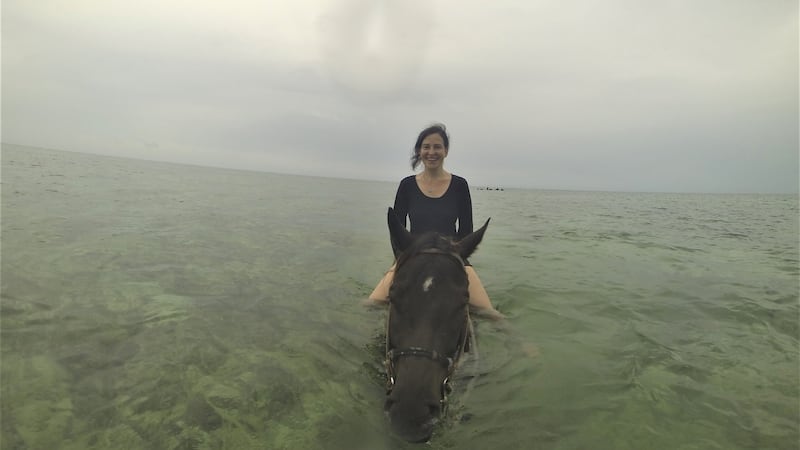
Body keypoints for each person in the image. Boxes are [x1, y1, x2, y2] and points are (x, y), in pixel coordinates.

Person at [368, 123, 504, 319]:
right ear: (419, 151)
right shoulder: (407, 185)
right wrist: (402, 261)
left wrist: (455, 260)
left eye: (437, 147)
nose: (431, 152)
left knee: (492, 315)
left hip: (451, 257)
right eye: (426, 147)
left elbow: (466, 230)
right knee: (371, 304)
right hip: (414, 256)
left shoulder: (460, 185)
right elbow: (397, 231)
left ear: (446, 151)